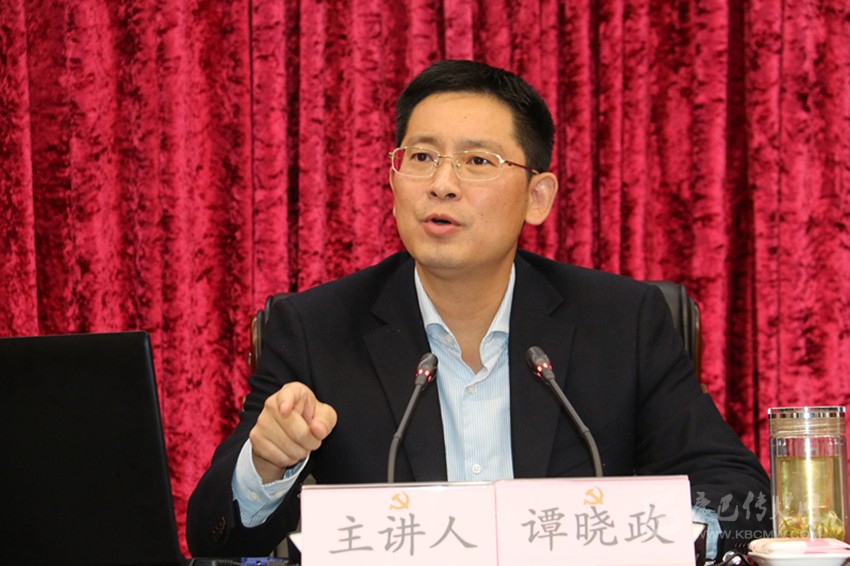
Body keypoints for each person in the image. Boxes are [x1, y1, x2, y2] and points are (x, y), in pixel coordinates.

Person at [187, 60, 771, 559]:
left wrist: (633, 536)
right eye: (421, 156)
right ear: (393, 179)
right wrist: (266, 463)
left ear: (537, 197)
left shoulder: (623, 322)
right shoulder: (315, 328)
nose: (442, 184)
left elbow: (741, 497)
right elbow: (215, 537)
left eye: (478, 161)